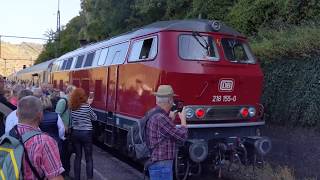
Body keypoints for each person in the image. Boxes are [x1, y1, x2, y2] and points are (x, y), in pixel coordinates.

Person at [13, 96, 64, 180]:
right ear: (40, 115)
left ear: (17, 114)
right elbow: (55, 178)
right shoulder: (45, 142)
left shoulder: (7, 136)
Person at [146, 85, 188, 180]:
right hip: (162, 165)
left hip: (158, 162)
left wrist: (170, 119)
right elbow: (182, 136)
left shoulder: (154, 113)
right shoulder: (161, 118)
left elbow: (163, 132)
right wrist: (183, 120)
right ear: (169, 101)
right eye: (172, 99)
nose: (173, 102)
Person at [69, 88, 97, 180]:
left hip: (76, 133)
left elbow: (72, 119)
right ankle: (89, 178)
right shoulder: (86, 106)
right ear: (83, 96)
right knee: (88, 158)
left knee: (78, 157)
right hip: (86, 133)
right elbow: (94, 118)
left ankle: (77, 178)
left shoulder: (72, 107)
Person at [55, 85, 75, 177]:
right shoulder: (63, 101)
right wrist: (63, 125)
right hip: (64, 130)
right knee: (64, 152)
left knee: (69, 151)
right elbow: (57, 115)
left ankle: (66, 171)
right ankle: (63, 172)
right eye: (74, 92)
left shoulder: (71, 101)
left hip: (69, 130)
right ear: (70, 91)